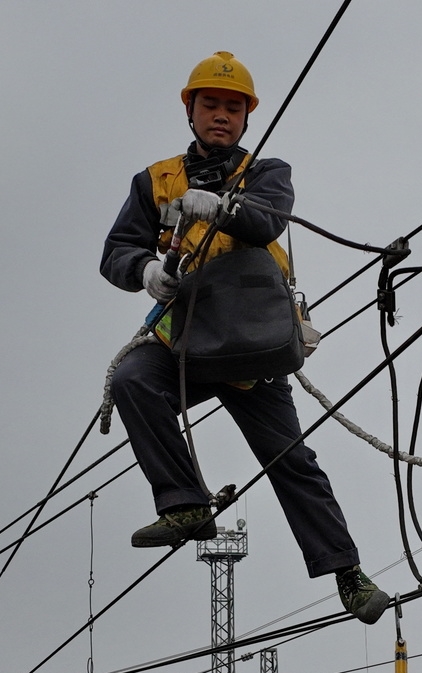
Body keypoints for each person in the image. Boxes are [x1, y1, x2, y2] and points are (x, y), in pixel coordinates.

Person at [101, 51, 389, 625]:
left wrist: (224, 206)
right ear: (191, 109)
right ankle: (185, 505)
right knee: (133, 380)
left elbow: (267, 222)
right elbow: (116, 251)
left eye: (233, 108)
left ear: (246, 117)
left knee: (290, 460)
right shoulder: (155, 181)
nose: (222, 116)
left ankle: (347, 574)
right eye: (211, 104)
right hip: (186, 334)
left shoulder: (265, 173)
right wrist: (145, 272)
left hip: (250, 341)